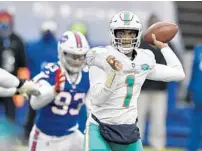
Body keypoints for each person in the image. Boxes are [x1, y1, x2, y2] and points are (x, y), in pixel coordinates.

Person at [84, 10, 185, 151]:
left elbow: (179, 74)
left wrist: (165, 47)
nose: (126, 38)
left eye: (130, 33)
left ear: (137, 34)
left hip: (128, 130)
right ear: (113, 34)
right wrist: (114, 76)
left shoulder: (143, 59)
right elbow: (97, 99)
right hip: (101, 127)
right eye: (122, 33)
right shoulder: (103, 56)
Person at [28, 31, 90, 151]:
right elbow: (34, 103)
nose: (77, 61)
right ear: (62, 53)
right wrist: (53, 91)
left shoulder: (87, 75)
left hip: (72, 135)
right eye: (73, 56)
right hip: (46, 138)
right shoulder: (52, 72)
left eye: (81, 56)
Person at [137, 14, 182, 151]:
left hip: (160, 90)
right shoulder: (141, 43)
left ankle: (158, 146)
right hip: (142, 89)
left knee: (158, 120)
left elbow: (176, 64)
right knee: (138, 119)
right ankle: (135, 144)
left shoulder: (168, 45)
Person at [24, 20, 58, 141]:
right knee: (33, 110)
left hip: (51, 85)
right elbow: (26, 65)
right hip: (36, 84)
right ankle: (27, 135)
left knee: (49, 112)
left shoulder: (58, 47)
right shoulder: (32, 47)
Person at [0, 11, 29, 121]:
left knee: (10, 115)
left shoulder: (17, 41)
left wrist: (22, 87)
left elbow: (23, 67)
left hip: (10, 83)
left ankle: (10, 136)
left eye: (6, 24)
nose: (4, 27)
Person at [185, 44, 202, 151]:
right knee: (195, 124)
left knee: (195, 124)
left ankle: (192, 147)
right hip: (198, 92)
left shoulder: (198, 50)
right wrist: (190, 89)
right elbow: (194, 72)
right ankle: (192, 147)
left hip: (198, 91)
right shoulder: (198, 50)